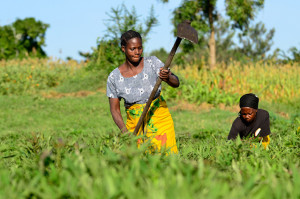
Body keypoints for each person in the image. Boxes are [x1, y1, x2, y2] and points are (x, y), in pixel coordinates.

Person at [106, 30, 179, 154]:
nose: (137, 52)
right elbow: (115, 110)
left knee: (166, 156)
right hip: (135, 124)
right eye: (133, 49)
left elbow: (176, 82)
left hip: (160, 117)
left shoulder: (152, 63)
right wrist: (125, 133)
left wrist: (167, 77)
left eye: (140, 48)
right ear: (123, 49)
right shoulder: (114, 77)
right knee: (140, 162)